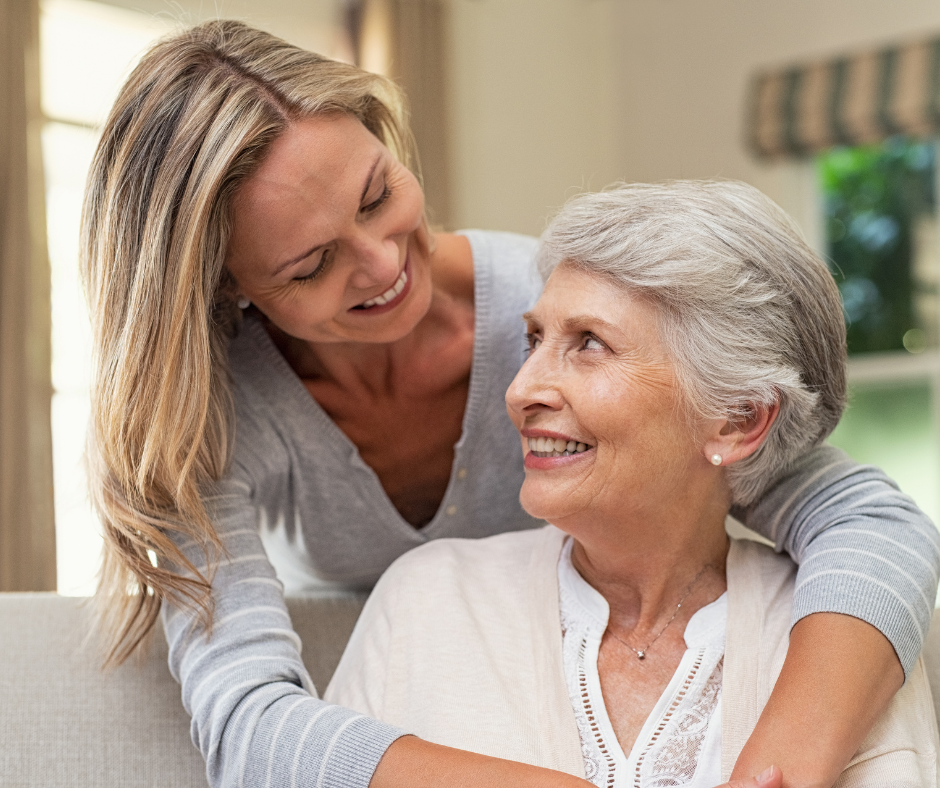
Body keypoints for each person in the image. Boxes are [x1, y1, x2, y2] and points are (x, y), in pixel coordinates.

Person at [80, 19, 938, 788]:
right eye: (309, 266)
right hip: (381, 711)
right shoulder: (206, 416)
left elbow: (863, 517)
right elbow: (247, 729)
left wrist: (778, 765)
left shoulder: (554, 307)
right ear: (229, 288)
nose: (382, 265)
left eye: (378, 196)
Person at [325, 181, 940, 787]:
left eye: (589, 344)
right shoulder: (426, 600)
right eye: (533, 339)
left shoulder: (851, 641)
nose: (518, 391)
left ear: (739, 419)